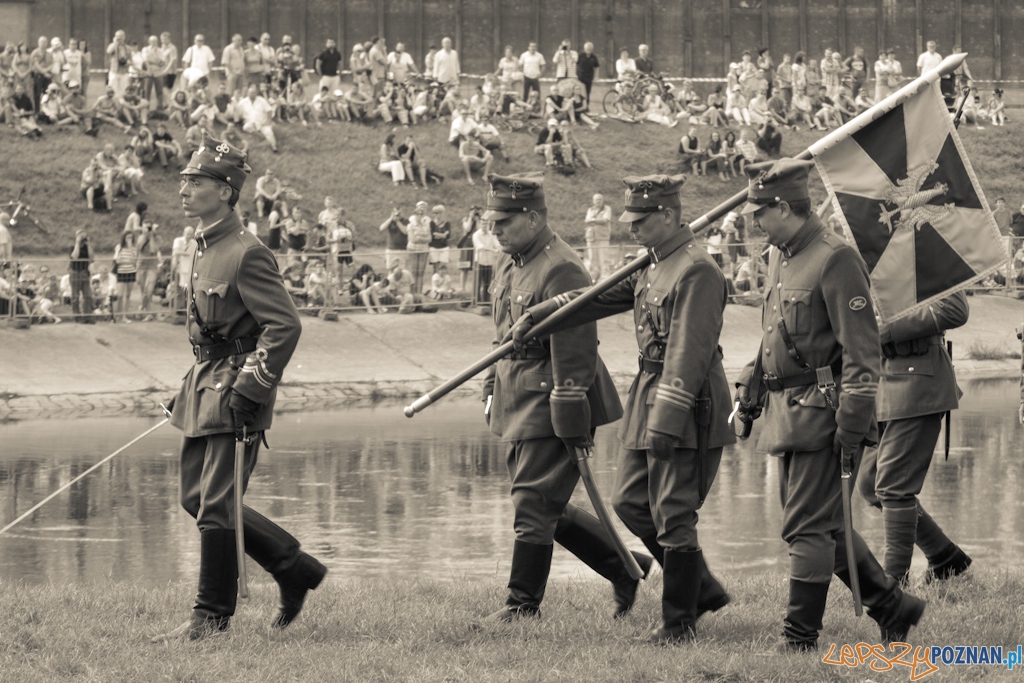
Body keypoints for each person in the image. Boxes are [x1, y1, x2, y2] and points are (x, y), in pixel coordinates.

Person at [504, 174, 734, 641]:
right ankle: (702, 589)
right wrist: (542, 312)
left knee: (673, 512)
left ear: (668, 216)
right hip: (648, 393)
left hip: (686, 402)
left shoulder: (696, 269)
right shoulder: (652, 263)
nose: (630, 228)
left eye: (639, 220)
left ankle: (680, 622)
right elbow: (597, 297)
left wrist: (668, 420)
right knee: (629, 500)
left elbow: (689, 355)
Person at [733, 159, 926, 650]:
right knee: (826, 526)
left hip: (826, 412)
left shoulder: (834, 257)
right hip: (789, 411)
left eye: (759, 212)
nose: (752, 221)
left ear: (783, 206)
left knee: (806, 528)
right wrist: (750, 385)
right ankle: (894, 607)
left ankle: (800, 637)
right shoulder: (781, 253)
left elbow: (862, 352)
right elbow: (775, 332)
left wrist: (852, 422)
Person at [154, 138, 326, 642]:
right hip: (205, 385)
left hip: (236, 390)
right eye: (185, 179)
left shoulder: (248, 252)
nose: (185, 188)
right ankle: (293, 567)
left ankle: (211, 617)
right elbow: (209, 332)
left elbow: (284, 326)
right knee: (196, 497)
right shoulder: (205, 243)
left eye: (197, 181)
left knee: (216, 501)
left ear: (226, 192)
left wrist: (252, 387)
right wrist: (188, 389)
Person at [478, 172, 652, 623]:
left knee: (534, 503)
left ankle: (522, 605)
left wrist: (571, 418)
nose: (495, 230)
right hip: (517, 395)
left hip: (552, 399)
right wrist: (492, 385)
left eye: (504, 222)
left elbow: (575, 353)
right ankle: (625, 567)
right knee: (536, 500)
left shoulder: (561, 266)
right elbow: (502, 336)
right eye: (492, 222)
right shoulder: (511, 259)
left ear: (533, 217)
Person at [857, 292, 973, 586]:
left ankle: (893, 582)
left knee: (894, 487)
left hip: (918, 379)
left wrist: (886, 328)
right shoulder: (865, 255)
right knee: (870, 482)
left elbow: (955, 308)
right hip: (880, 383)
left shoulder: (923, 249)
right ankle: (946, 558)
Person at [238, 84, 278, 153]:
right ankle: (260, 136)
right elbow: (238, 112)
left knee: (269, 132)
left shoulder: (261, 100)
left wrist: (268, 120)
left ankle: (273, 146)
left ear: (256, 93)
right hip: (251, 122)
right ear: (248, 93)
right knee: (246, 127)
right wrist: (244, 120)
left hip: (262, 122)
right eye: (250, 93)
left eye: (254, 93)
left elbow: (269, 110)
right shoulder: (243, 102)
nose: (252, 94)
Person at [135, 220, 162, 320]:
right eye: (145, 227)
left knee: (149, 290)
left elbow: (153, 250)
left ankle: (142, 309)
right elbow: (139, 248)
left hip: (152, 266)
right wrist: (144, 236)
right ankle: (148, 313)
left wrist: (151, 236)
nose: (147, 229)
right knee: (143, 291)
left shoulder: (158, 238)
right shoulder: (140, 238)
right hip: (141, 265)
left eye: (149, 227)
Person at [584, 193, 613, 281]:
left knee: (604, 258)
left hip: (602, 236)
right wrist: (596, 220)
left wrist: (592, 220)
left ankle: (605, 277)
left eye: (600, 199)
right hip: (591, 237)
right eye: (596, 200)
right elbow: (586, 221)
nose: (598, 201)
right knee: (593, 258)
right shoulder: (590, 209)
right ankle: (594, 277)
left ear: (603, 200)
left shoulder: (607, 209)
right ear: (593, 201)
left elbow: (605, 220)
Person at [68, 229, 95, 323]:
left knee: (88, 295)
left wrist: (89, 244)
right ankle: (77, 317)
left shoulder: (87, 247)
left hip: (84, 273)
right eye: (80, 235)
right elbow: (74, 257)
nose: (82, 238)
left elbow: (91, 258)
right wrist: (77, 242)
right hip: (75, 272)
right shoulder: (72, 246)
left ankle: (87, 316)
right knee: (75, 296)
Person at [405, 201, 432, 293]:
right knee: (413, 272)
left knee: (420, 272)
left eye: (421, 214)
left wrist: (420, 237)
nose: (419, 216)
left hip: (423, 250)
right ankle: (413, 291)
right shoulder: (410, 225)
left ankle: (419, 291)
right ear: (415, 215)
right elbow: (412, 239)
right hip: (413, 249)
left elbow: (429, 238)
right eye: (417, 214)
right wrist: (422, 238)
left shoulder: (426, 225)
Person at [112, 229, 138, 323]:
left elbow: (134, 261)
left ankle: (124, 316)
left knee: (127, 295)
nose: (129, 239)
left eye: (131, 237)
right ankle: (118, 314)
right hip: (121, 272)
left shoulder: (134, 248)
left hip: (131, 272)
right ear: (124, 238)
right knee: (120, 295)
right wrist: (127, 261)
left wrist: (131, 250)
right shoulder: (119, 247)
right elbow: (117, 260)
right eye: (128, 237)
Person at [428, 205, 451, 274]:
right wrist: (443, 235)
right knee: (435, 268)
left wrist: (437, 234)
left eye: (437, 212)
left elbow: (448, 236)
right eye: (434, 212)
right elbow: (432, 235)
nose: (435, 214)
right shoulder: (432, 223)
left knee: (443, 267)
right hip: (434, 247)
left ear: (441, 213)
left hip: (444, 247)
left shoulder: (447, 223)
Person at [576, 42, 600, 107]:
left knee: (587, 93)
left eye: (590, 48)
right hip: (580, 78)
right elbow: (575, 65)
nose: (588, 50)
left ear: (592, 49)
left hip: (589, 78)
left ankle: (586, 107)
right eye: (587, 48)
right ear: (584, 48)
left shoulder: (594, 57)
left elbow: (597, 67)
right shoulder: (580, 55)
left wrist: (596, 76)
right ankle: (579, 106)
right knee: (579, 92)